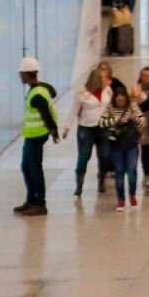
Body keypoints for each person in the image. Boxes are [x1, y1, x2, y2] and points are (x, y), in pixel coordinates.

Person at [15, 56, 61, 216]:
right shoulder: (38, 88)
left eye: (21, 74)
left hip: (36, 136)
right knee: (26, 167)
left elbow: (46, 114)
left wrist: (54, 131)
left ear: (28, 74)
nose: (20, 76)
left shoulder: (37, 94)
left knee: (34, 169)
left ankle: (40, 203)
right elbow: (53, 92)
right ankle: (31, 199)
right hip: (31, 135)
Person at [71, 61, 113, 201]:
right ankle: (79, 184)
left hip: (103, 127)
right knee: (84, 156)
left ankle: (101, 179)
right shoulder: (82, 93)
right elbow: (74, 111)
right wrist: (66, 128)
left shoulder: (107, 91)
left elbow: (110, 108)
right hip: (86, 128)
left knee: (104, 155)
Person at [99, 81, 144, 209]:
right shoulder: (110, 107)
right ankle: (120, 199)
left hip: (131, 144)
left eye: (122, 101)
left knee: (132, 170)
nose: (120, 104)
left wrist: (134, 118)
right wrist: (116, 120)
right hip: (116, 143)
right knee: (119, 171)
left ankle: (132, 194)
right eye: (118, 101)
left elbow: (142, 123)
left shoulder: (133, 106)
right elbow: (101, 123)